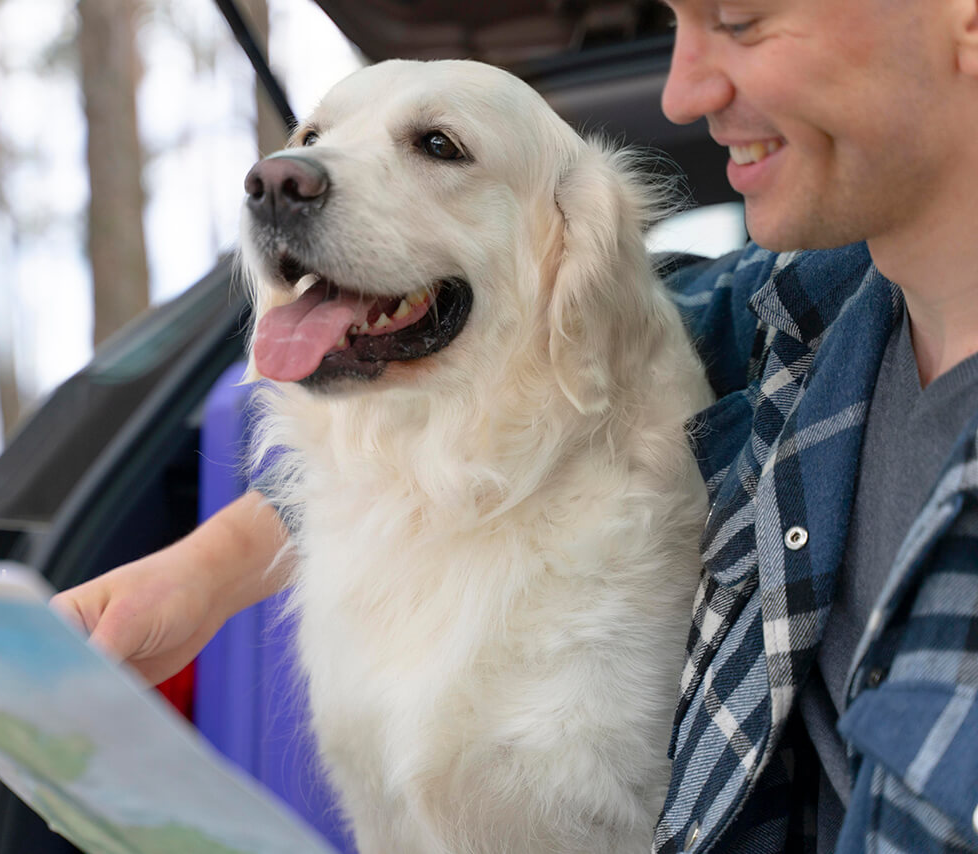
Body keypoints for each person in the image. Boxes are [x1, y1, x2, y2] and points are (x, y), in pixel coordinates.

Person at [53, 0, 978, 850]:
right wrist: (204, 572)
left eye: (739, 19)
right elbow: (645, 323)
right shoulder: (807, 316)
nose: (683, 88)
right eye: (311, 139)